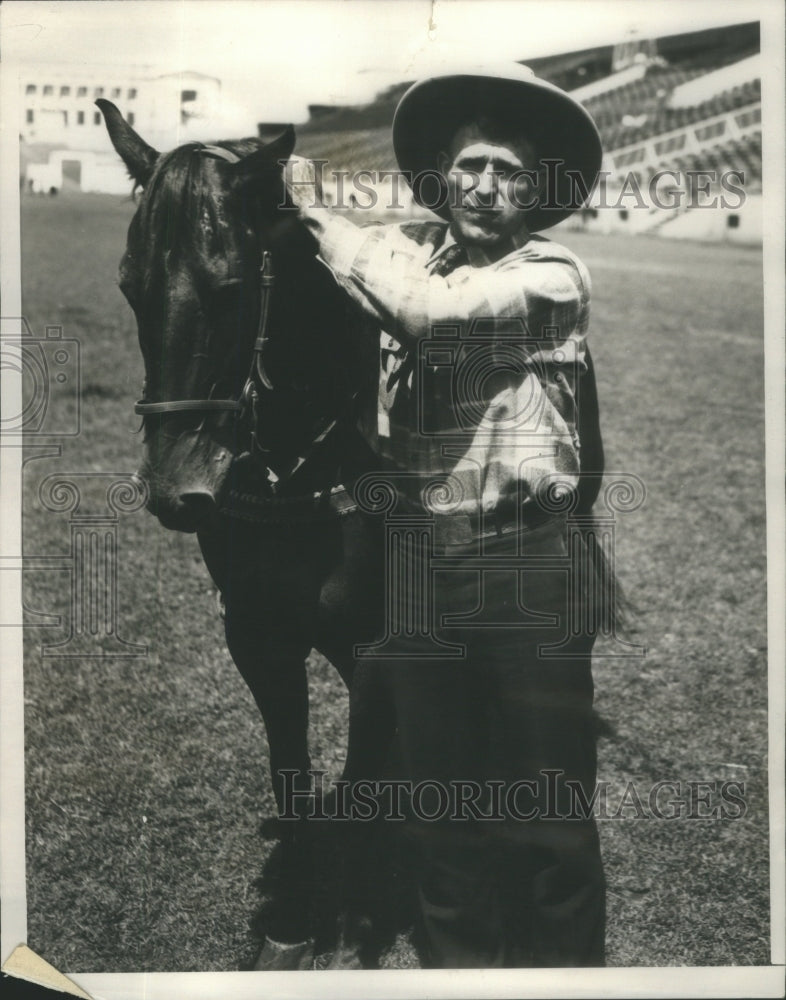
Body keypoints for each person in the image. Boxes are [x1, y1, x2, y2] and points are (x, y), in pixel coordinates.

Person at [286, 63, 607, 969]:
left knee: (549, 821)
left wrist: (315, 208)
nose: (487, 187)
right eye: (471, 165)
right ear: (441, 170)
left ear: (537, 190)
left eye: (510, 171)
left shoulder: (551, 274)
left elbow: (427, 315)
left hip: (527, 564)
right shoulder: (412, 253)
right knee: (442, 818)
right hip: (424, 564)